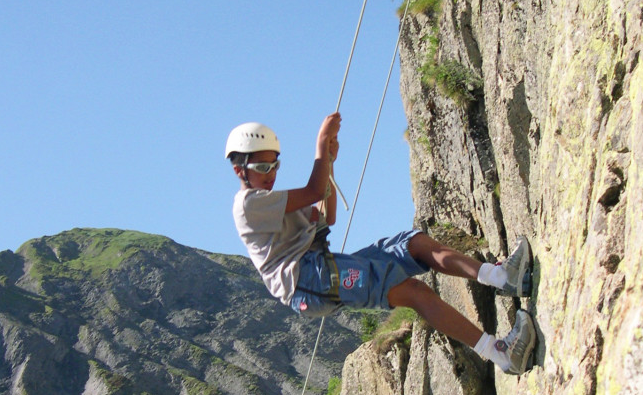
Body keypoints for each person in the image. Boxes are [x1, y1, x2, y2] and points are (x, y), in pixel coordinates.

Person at [226, 112, 537, 374]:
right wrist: (322, 144)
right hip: (307, 280)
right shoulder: (247, 205)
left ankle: (500, 276)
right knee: (415, 292)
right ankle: (501, 353)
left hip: (319, 269)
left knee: (412, 243)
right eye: (262, 168)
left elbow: (325, 213)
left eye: (275, 165)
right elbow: (312, 192)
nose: (271, 174)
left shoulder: (274, 201)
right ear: (239, 169)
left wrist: (329, 164)